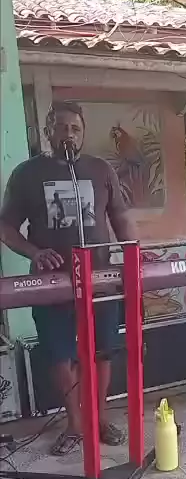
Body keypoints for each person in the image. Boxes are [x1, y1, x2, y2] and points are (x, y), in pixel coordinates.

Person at [0, 101, 138, 455]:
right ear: (48, 132)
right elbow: (6, 226)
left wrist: (133, 252)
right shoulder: (26, 174)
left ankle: (99, 418)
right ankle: (75, 424)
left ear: (83, 133)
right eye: (61, 127)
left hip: (100, 278)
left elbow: (120, 216)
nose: (69, 135)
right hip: (52, 284)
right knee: (59, 353)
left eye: (75, 129)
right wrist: (34, 252)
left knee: (102, 351)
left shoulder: (100, 169)